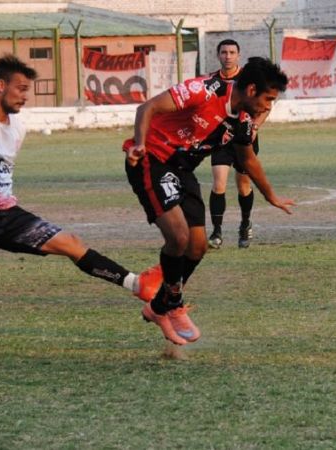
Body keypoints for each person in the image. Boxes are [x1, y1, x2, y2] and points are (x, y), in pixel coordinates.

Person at [0, 55, 159, 368]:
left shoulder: (18, 126)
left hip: (7, 212)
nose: (26, 95)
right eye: (21, 88)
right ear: (0, 86)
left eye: (29, 89)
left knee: (70, 242)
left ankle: (137, 283)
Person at [123, 57, 294, 346]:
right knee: (178, 237)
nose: (268, 106)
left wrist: (271, 196)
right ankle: (172, 303)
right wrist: (139, 143)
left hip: (182, 169)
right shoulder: (205, 90)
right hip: (150, 159)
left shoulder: (242, 123)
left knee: (198, 245)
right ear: (251, 89)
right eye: (268, 98)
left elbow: (248, 160)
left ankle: (161, 307)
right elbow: (147, 107)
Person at [207, 39, 266, 249]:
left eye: (232, 52)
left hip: (244, 141)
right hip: (221, 139)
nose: (228, 56)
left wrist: (255, 127)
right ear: (218, 55)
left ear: (238, 55)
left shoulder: (250, 80)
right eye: (224, 52)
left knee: (243, 186)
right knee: (218, 184)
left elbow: (266, 107)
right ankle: (216, 231)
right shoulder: (211, 81)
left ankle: (245, 224)